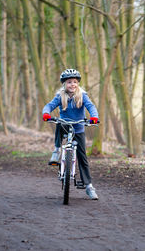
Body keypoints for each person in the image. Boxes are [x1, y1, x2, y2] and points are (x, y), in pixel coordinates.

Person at [42, 69, 99, 200]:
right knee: (58, 123)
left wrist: (94, 117)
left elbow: (91, 107)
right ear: (64, 84)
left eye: (75, 82)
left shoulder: (83, 96)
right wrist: (46, 113)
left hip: (78, 128)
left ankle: (89, 186)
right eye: (69, 82)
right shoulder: (60, 96)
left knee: (82, 157)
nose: (72, 84)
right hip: (64, 125)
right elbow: (49, 106)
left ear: (78, 83)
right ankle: (56, 150)